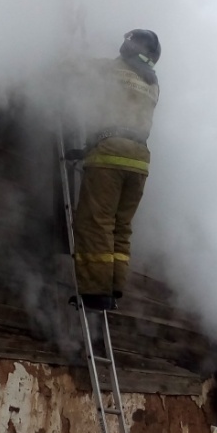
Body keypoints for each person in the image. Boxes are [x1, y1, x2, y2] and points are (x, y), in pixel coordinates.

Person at [69, 29, 161, 311]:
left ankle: (95, 292)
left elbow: (73, 70)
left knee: (95, 223)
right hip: (140, 161)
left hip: (110, 156)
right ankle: (113, 287)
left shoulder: (112, 69)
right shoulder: (153, 84)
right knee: (121, 227)